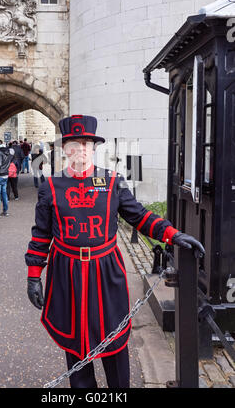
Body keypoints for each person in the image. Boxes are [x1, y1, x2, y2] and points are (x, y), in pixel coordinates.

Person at [25, 114, 205, 389]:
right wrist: (33, 275)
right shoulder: (51, 187)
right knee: (75, 344)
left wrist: (172, 234)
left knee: (114, 339)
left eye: (87, 144)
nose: (81, 150)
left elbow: (140, 217)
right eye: (74, 144)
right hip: (67, 272)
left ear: (95, 148)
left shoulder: (113, 182)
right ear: (64, 149)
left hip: (106, 272)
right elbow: (41, 234)